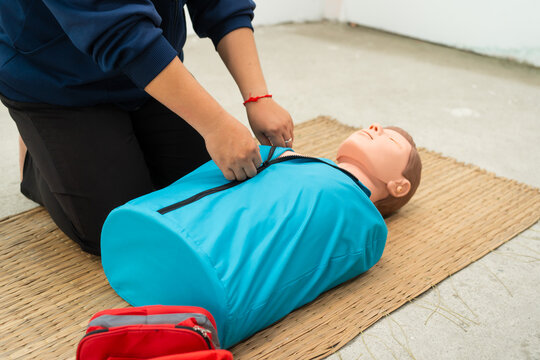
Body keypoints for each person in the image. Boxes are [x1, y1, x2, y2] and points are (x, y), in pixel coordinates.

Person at [0, 0, 293, 255]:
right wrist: (215, 125)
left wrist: (257, 97)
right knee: (120, 232)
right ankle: (35, 159)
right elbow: (117, 27)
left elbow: (222, 3)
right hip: (53, 77)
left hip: (147, 70)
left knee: (211, 201)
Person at [100, 123, 422, 348]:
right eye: (378, 127)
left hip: (207, 279)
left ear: (399, 186)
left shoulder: (365, 226)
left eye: (390, 140)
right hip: (154, 229)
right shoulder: (299, 161)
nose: (376, 127)